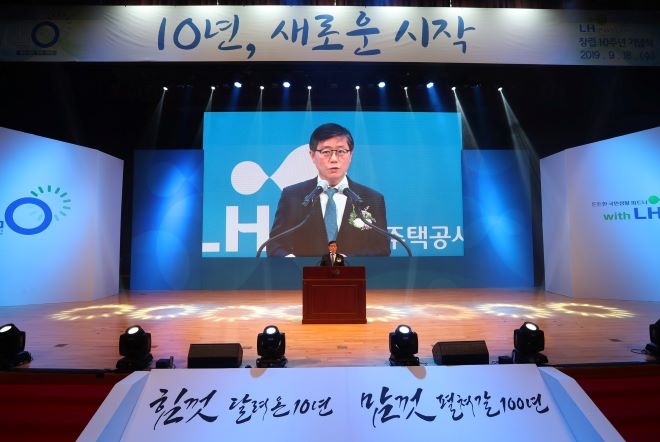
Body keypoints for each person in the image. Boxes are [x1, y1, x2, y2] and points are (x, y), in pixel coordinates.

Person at [267, 122, 390, 257]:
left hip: (353, 270)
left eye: (341, 151)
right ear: (312, 155)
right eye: (326, 152)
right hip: (302, 270)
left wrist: (348, 262)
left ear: (351, 155)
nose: (334, 159)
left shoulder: (372, 199)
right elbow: (275, 244)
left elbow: (382, 248)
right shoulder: (293, 196)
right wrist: (293, 262)